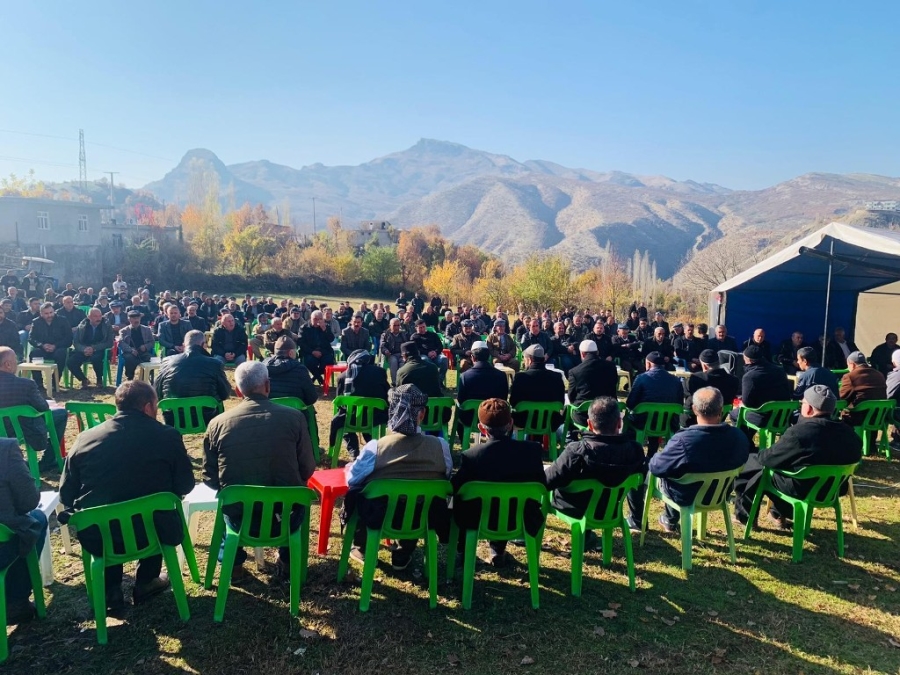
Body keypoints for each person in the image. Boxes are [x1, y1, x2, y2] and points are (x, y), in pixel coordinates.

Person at [59, 380, 194, 612]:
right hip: (155, 531)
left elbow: (66, 493)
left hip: (100, 537)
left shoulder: (85, 438)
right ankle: (147, 580)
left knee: (109, 513)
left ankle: (111, 587)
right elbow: (185, 484)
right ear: (148, 407)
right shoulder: (167, 436)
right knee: (153, 507)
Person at [202, 362, 316, 578]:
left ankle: (232, 565)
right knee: (294, 501)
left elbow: (210, 477)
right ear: (267, 385)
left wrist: (236, 491)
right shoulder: (295, 418)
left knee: (229, 507)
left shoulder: (217, 423)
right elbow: (307, 468)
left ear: (238, 390)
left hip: (239, 517)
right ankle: (287, 560)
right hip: (286, 516)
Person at [344, 385, 452, 569]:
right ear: (422, 414)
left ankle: (362, 546)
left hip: (379, 517)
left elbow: (352, 480)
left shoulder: (375, 448)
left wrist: (350, 468)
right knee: (420, 499)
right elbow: (446, 475)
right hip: (423, 518)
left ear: (391, 412)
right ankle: (403, 553)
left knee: (359, 493)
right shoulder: (440, 447)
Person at [734, 385, 862, 528]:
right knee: (790, 466)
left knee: (753, 463)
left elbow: (767, 459)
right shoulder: (850, 434)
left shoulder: (800, 433)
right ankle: (777, 513)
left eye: (802, 403)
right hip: (832, 490)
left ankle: (744, 517)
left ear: (809, 408)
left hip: (801, 490)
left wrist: (757, 452)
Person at [451, 399, 546, 566]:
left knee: (461, 502)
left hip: (478, 519)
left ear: (480, 428)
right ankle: (498, 550)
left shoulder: (472, 456)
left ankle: (463, 551)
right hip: (521, 519)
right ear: (510, 424)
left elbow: (456, 488)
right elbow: (541, 483)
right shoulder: (532, 451)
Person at [647, 387, 749, 534]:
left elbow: (657, 467)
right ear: (721, 409)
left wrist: (655, 457)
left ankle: (669, 519)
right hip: (720, 494)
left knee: (672, 472)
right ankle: (669, 518)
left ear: (694, 409)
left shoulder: (684, 440)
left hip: (687, 496)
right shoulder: (739, 437)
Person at [546, 396, 647, 536]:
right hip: (611, 510)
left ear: (590, 424)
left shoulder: (577, 451)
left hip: (576, 509)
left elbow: (547, 481)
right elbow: (640, 480)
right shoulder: (635, 451)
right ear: (619, 423)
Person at [0, 437, 48, 624]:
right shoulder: (5, 449)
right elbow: (28, 500)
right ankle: (15, 602)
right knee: (35, 520)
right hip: (3, 546)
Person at [0, 346, 68, 470]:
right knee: (61, 413)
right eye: (16, 360)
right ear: (8, 364)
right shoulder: (25, 385)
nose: (18, 363)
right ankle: (48, 460)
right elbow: (43, 407)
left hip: (3, 432)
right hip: (23, 430)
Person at [155, 330, 232, 427]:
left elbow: (157, 392)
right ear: (203, 344)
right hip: (207, 418)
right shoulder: (215, 364)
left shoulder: (166, 362)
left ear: (184, 345)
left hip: (173, 418)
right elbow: (225, 393)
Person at [330, 349, 390, 459]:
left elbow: (340, 402)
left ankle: (353, 450)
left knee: (343, 418)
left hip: (351, 419)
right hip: (376, 417)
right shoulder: (380, 372)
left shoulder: (342, 377)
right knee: (368, 415)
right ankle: (372, 446)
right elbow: (387, 394)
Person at [625, 352, 684, 458]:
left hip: (643, 423)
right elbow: (680, 404)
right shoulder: (676, 380)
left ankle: (634, 455)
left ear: (648, 363)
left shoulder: (641, 378)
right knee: (655, 418)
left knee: (632, 421)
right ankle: (651, 454)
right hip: (668, 422)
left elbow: (630, 403)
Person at [731, 344, 791, 436]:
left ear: (748, 360)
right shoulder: (780, 370)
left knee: (734, 414)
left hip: (764, 418)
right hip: (783, 417)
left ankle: (748, 444)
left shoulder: (750, 376)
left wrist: (741, 403)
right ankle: (749, 441)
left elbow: (747, 402)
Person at [509, 345, 566, 431]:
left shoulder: (520, 377)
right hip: (551, 421)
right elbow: (561, 401)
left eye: (524, 359)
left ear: (529, 360)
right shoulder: (557, 377)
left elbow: (513, 402)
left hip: (524, 421)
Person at [567, 340, 618, 432]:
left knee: (571, 410)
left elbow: (571, 396)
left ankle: (571, 438)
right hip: (609, 413)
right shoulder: (611, 367)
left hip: (584, 416)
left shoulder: (574, 371)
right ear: (597, 352)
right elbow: (614, 386)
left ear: (582, 354)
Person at [682, 349, 740, 427]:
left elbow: (684, 392)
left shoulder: (696, 379)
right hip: (719, 419)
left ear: (704, 366)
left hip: (693, 421)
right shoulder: (733, 380)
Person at [27, 302, 72, 391]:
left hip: (58, 348)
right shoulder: (36, 322)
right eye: (46, 313)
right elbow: (31, 338)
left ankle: (54, 382)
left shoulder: (62, 320)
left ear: (54, 311)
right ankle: (38, 384)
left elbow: (69, 338)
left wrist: (55, 345)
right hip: (42, 349)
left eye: (51, 312)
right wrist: (42, 345)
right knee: (34, 353)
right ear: (41, 314)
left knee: (61, 354)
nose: (49, 315)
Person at [263, 336, 317, 406]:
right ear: (291, 353)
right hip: (296, 413)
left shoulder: (263, 367)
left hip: (269, 412)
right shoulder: (300, 369)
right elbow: (312, 397)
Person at [67, 308, 114, 388]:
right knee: (71, 361)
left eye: (100, 316)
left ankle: (99, 379)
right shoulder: (82, 326)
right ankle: (83, 379)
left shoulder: (107, 326)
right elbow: (76, 342)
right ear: (89, 317)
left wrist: (94, 348)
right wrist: (84, 349)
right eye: (95, 316)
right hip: (84, 349)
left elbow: (109, 342)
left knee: (96, 358)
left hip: (99, 349)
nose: (98, 318)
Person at [840, 351, 887, 426]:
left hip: (859, 417)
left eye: (848, 365)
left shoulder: (850, 376)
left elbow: (842, 397)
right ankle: (871, 437)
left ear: (852, 364)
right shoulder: (879, 374)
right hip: (879, 417)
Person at [298, 310, 335, 385]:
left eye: (320, 319)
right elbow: (301, 343)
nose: (318, 321)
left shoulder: (326, 326)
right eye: (315, 319)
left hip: (324, 351)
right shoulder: (304, 328)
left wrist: (324, 330)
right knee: (309, 361)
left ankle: (315, 376)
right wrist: (312, 352)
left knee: (328, 361)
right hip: (310, 351)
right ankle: (320, 378)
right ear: (310, 318)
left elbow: (331, 339)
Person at [119, 309, 155, 381]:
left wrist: (145, 346)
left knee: (149, 358)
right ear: (129, 319)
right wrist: (131, 350)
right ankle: (130, 378)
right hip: (130, 352)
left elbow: (152, 342)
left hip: (143, 352)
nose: (136, 320)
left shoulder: (147, 329)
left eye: (138, 318)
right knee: (129, 358)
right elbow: (121, 343)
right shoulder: (124, 331)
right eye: (134, 318)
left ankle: (146, 378)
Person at [410, 320, 448, 385]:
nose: (422, 329)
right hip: (423, 355)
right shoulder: (414, 337)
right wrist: (428, 353)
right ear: (416, 328)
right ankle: (430, 382)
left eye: (423, 327)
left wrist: (435, 352)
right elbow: (416, 349)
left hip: (436, 354)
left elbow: (440, 346)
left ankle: (439, 381)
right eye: (420, 328)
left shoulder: (433, 335)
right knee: (425, 360)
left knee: (444, 359)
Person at [380, 317, 409, 385]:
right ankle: (394, 382)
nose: (396, 327)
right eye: (394, 325)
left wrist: (406, 353)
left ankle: (402, 382)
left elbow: (407, 344)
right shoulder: (385, 335)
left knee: (402, 364)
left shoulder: (403, 334)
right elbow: (382, 346)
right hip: (391, 354)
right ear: (390, 326)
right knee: (393, 362)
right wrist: (386, 351)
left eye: (398, 325)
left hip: (402, 355)